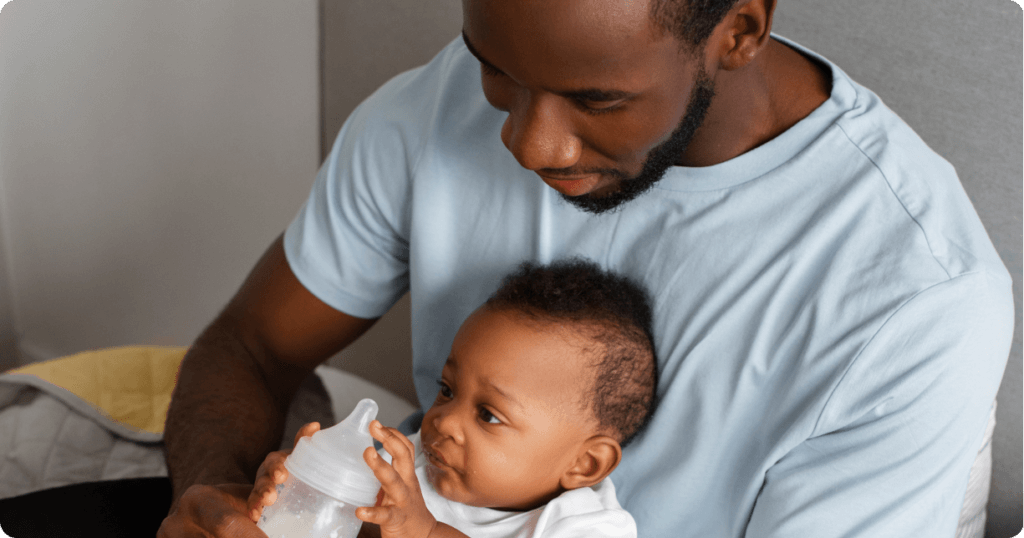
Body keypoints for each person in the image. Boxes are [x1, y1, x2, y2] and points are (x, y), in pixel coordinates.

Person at [158, 1, 1013, 537]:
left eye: (598, 99)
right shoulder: (428, 110)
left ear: (740, 30)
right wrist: (212, 492)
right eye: (497, 70)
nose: (527, 143)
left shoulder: (916, 297)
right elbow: (251, 344)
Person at [249, 260, 656, 538]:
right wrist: (298, 489)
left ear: (585, 463)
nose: (442, 421)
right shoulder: (408, 468)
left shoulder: (586, 525)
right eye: (447, 390)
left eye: (488, 415)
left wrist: (425, 531)